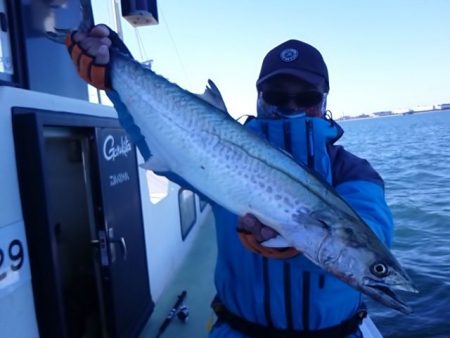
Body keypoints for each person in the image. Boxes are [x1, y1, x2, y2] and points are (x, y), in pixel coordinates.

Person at [66, 25, 394, 338]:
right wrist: (116, 77)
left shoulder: (352, 171)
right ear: (259, 97)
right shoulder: (216, 149)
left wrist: (298, 246)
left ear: (323, 101)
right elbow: (162, 147)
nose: (291, 106)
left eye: (306, 96)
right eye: (277, 94)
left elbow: (372, 227)